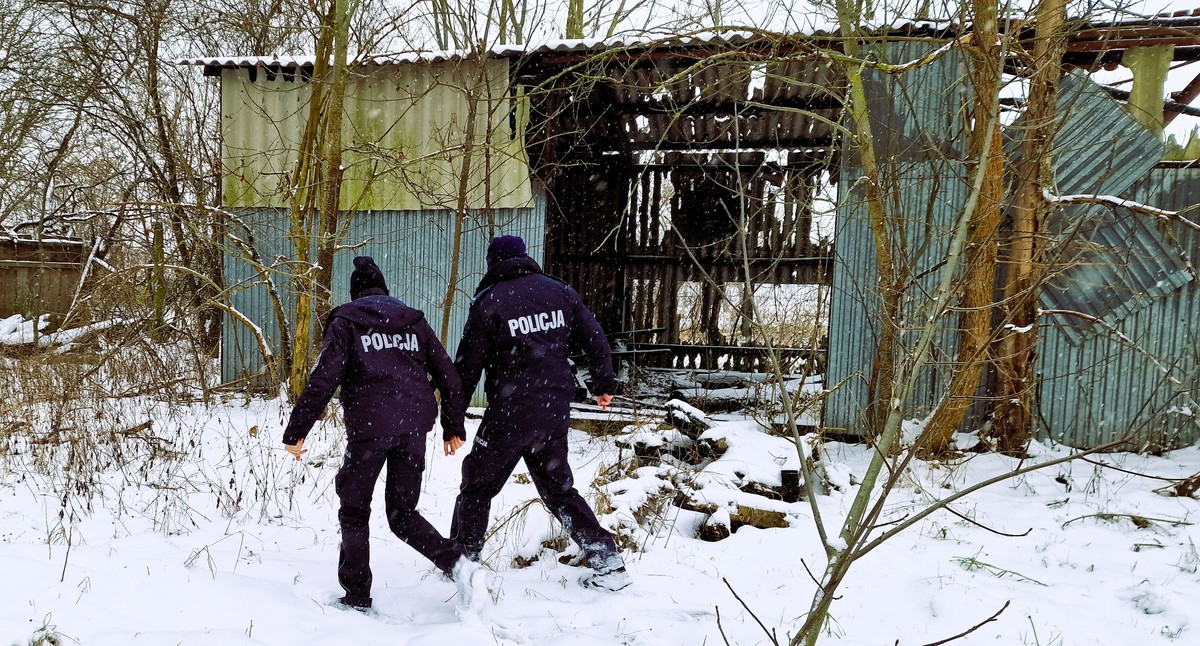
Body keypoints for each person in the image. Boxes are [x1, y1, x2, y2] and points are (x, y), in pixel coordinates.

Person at [281, 256, 487, 613]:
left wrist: (298, 430)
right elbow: (450, 378)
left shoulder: (347, 321)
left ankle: (357, 596)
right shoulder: (412, 321)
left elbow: (324, 378)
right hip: (413, 428)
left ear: (356, 292)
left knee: (355, 509)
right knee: (403, 514)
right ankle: (458, 565)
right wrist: (452, 426)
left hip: (369, 429)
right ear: (384, 290)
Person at [448, 235, 632, 592]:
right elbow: (595, 338)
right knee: (559, 490)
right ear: (524, 257)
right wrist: (603, 383)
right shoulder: (559, 291)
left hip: (510, 413)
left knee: (477, 485)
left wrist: (453, 421)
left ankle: (462, 561)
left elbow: (466, 369)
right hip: (553, 410)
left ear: (494, 264)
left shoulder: (489, 303)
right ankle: (608, 561)